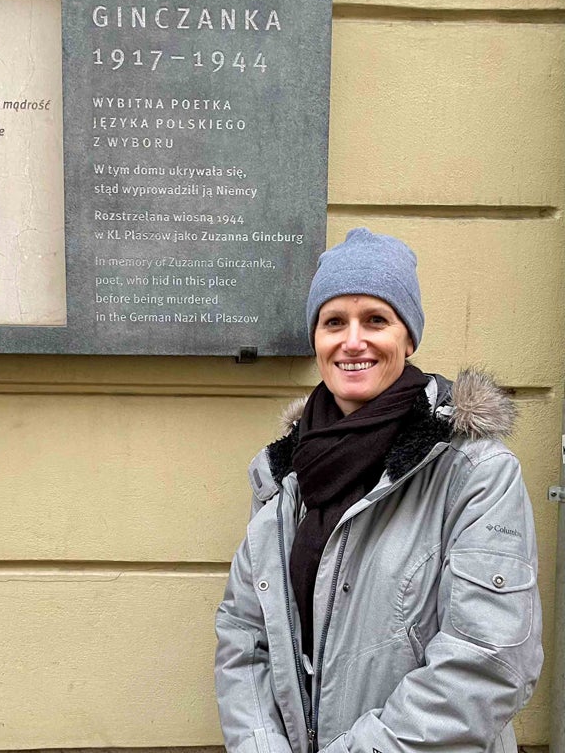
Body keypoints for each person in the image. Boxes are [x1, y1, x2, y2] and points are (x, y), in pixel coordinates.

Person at [215, 228, 543, 753]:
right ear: (315, 339)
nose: (352, 341)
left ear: (408, 337)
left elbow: (489, 661)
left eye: (376, 320)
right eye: (333, 322)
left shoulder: (473, 471)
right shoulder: (286, 476)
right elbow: (245, 633)